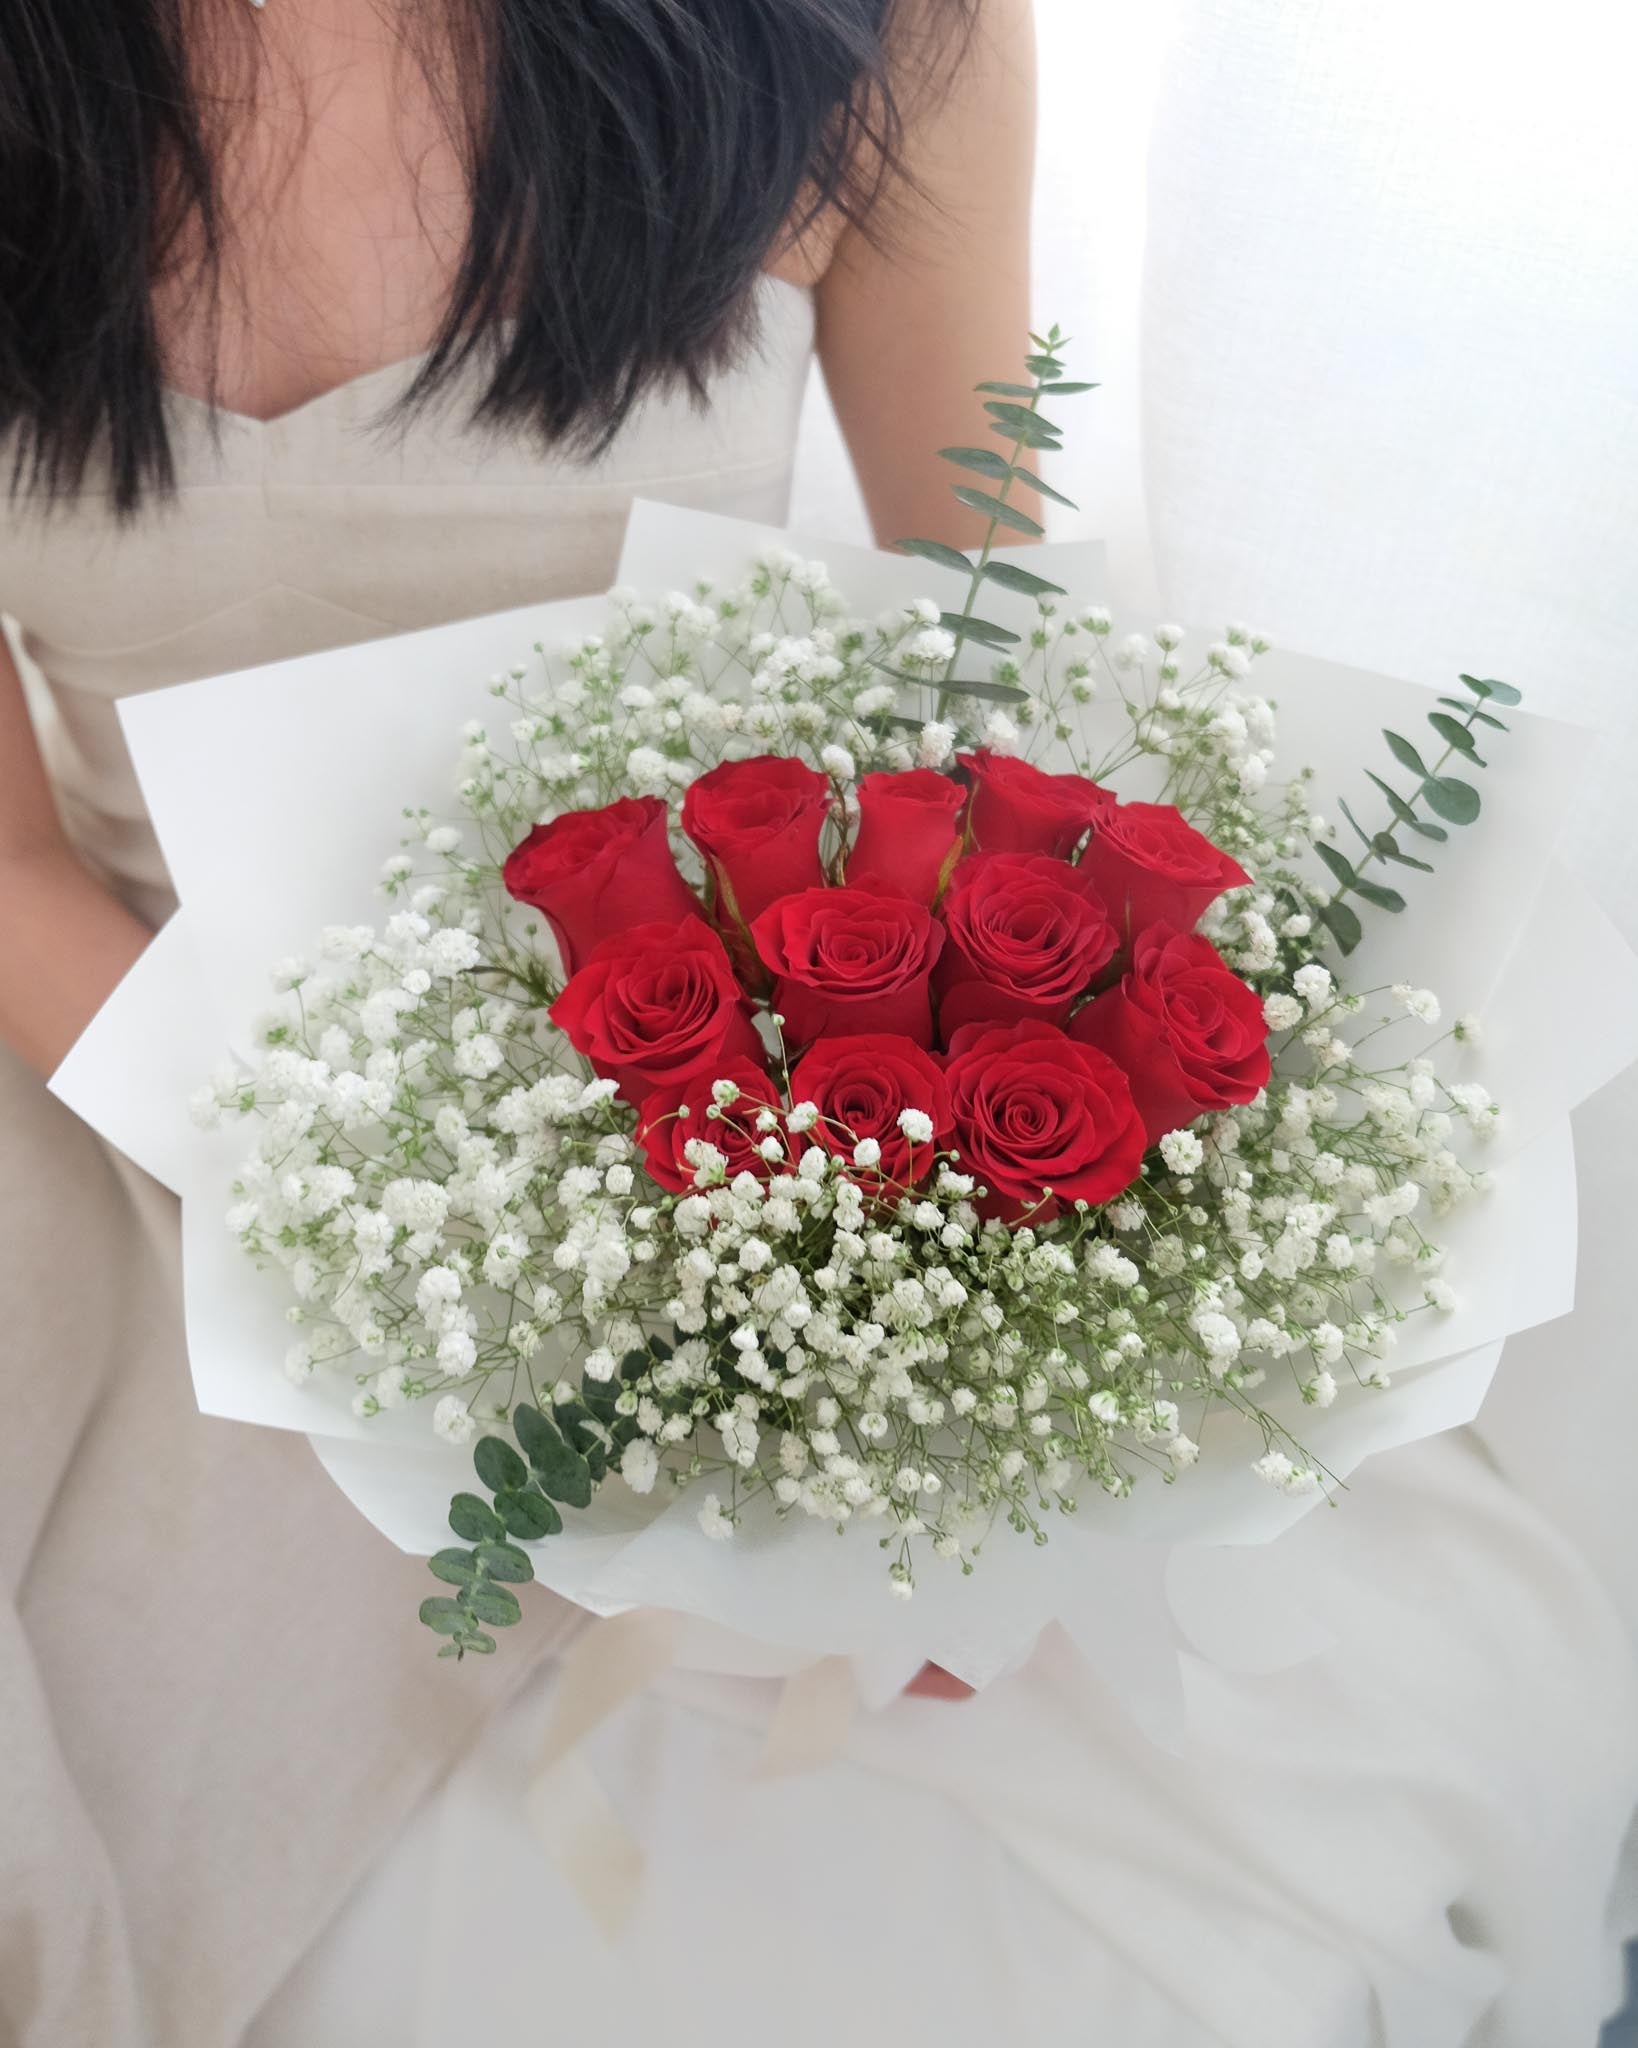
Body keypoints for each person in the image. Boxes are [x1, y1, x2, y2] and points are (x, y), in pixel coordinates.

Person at [2, 4, 1635, 2045]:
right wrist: (373, 1226)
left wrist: (906, 1407)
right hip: (132, 1065)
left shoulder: (891, 36)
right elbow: (6, 863)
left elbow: (994, 676)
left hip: (720, 1111)